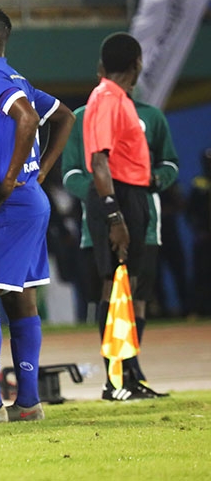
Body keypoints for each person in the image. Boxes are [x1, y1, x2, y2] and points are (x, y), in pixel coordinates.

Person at [0, 5, 74, 423]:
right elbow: (63, 116)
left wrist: (7, 180)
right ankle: (28, 404)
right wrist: (38, 171)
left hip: (11, 205)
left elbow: (26, 120)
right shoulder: (15, 76)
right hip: (30, 202)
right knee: (23, 302)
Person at [75, 32, 173, 400]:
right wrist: (115, 216)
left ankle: (128, 376)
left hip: (129, 194)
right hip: (116, 194)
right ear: (137, 63)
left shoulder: (117, 100)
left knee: (126, 287)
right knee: (114, 286)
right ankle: (115, 380)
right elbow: (99, 161)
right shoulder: (106, 98)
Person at [188, 149, 211, 317]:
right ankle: (200, 309)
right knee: (202, 273)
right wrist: (199, 230)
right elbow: (190, 212)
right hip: (203, 237)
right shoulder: (199, 183)